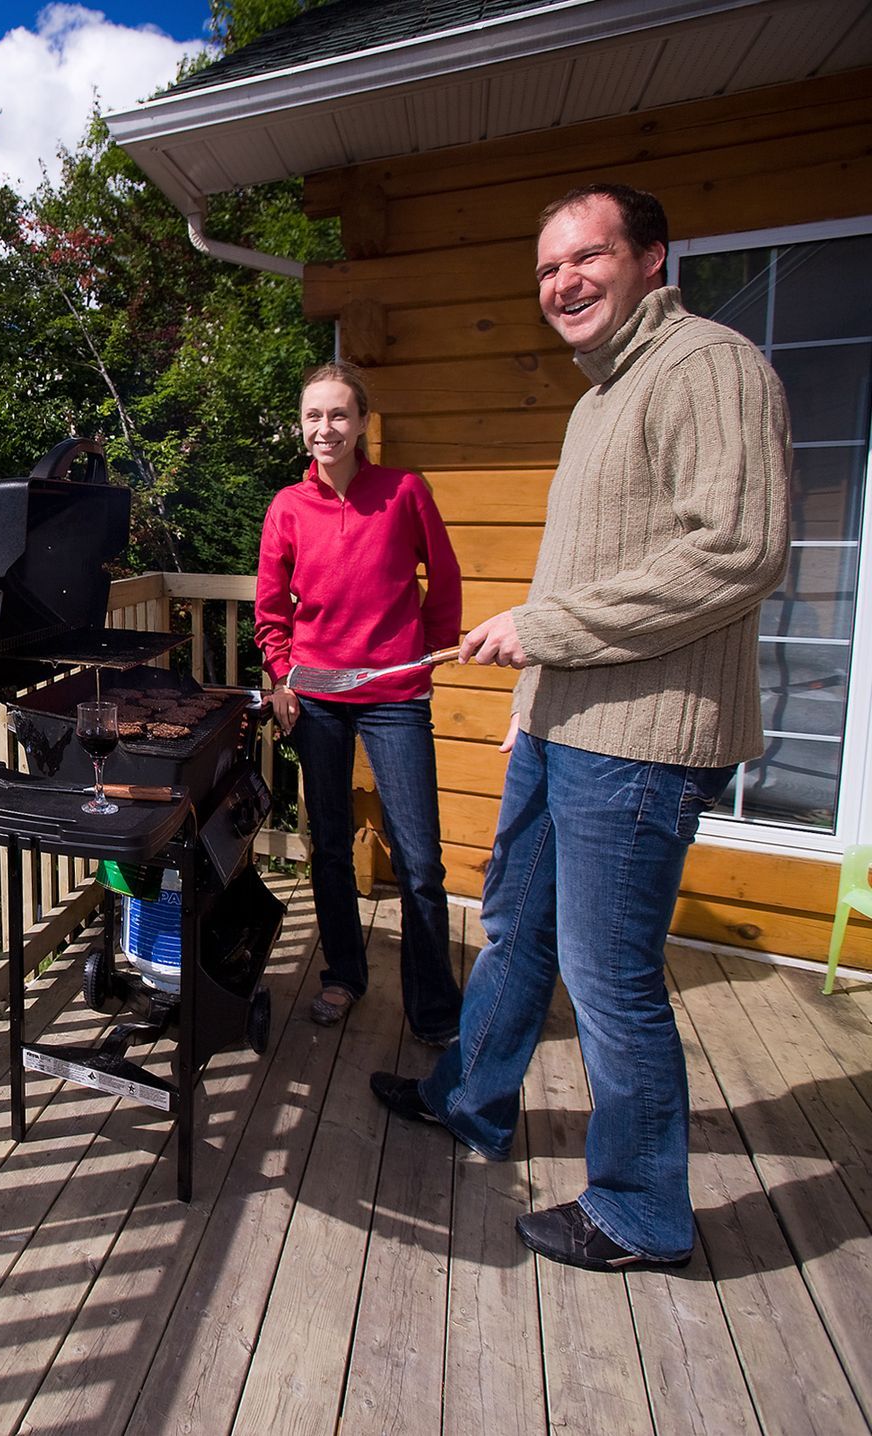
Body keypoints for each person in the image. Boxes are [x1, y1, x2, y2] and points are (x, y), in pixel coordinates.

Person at [371, 183, 790, 1272]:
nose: (562, 283)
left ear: (653, 256)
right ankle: (473, 1099)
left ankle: (643, 1211)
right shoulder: (601, 395)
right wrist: (529, 706)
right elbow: (583, 575)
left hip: (644, 743)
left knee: (609, 981)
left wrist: (545, 630)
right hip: (563, 729)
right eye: (548, 269)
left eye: (585, 258)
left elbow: (736, 551)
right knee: (515, 928)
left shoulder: (709, 365)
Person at [256, 360, 463, 1045]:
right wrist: (284, 677)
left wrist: (431, 650)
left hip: (395, 696)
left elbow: (446, 573)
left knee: (420, 860)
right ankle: (343, 975)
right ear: (301, 426)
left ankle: (432, 1007)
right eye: (314, 416)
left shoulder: (403, 491)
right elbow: (269, 608)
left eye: (339, 414)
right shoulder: (287, 505)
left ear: (363, 422)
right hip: (317, 698)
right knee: (331, 849)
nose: (327, 428)